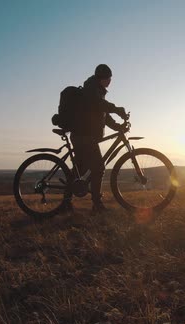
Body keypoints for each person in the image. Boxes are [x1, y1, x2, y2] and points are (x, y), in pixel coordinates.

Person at [70, 64, 128, 214]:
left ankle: (65, 202)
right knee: (99, 168)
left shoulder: (96, 91)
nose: (110, 81)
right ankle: (97, 204)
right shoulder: (91, 90)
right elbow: (100, 105)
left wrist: (117, 127)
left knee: (80, 170)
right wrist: (117, 109)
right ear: (102, 78)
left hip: (83, 135)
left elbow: (103, 115)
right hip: (84, 136)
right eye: (108, 78)